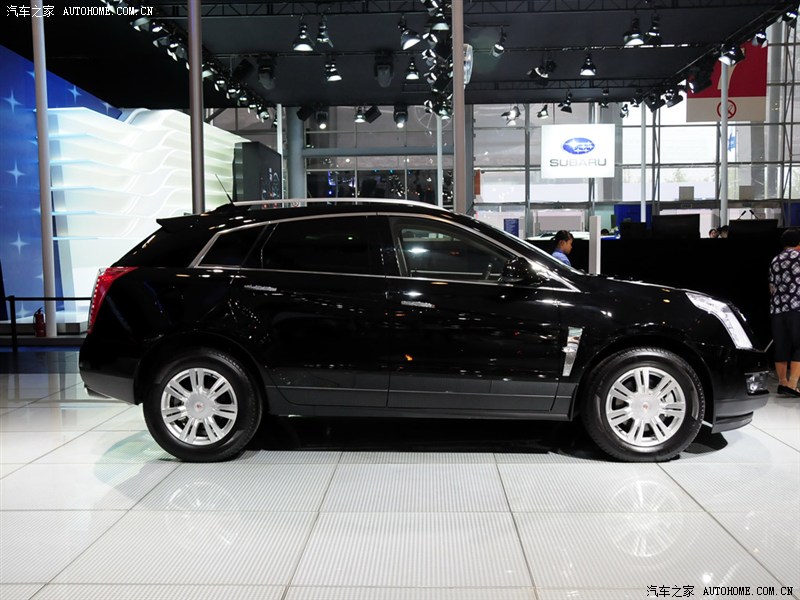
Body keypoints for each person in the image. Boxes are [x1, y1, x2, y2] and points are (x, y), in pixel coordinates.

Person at [769, 228, 800, 397]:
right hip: (796, 307)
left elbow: (771, 288)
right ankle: (793, 385)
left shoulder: (775, 260)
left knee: (781, 346)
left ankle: (782, 383)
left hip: (777, 309)